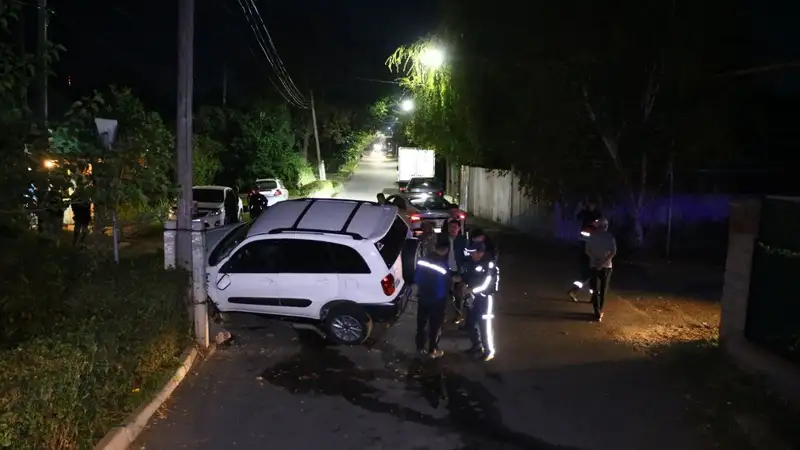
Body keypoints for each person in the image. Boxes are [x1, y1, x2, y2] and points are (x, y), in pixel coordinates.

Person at [413, 236, 452, 359]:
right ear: (447, 249)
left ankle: (420, 348)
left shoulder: (423, 260)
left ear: (435, 247)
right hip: (438, 301)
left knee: (421, 324)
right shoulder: (444, 265)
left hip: (423, 297)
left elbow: (416, 278)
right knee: (435, 326)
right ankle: (432, 350)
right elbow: (447, 284)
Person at [462, 241, 499, 361]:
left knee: (485, 327)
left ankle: (489, 351)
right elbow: (470, 277)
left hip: (485, 299)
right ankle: (477, 345)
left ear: (480, 252)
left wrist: (471, 289)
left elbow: (486, 285)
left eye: (473, 253)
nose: (471, 255)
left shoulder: (489, 266)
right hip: (474, 298)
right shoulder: (474, 263)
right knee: (470, 323)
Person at [568, 200, 603, 302]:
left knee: (591, 275)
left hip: (590, 253)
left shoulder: (596, 217)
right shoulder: (588, 222)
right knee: (589, 275)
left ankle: (593, 296)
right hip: (587, 254)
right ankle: (576, 291)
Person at [585, 217, 616, 322]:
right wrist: (603, 263)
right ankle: (600, 310)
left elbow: (587, 251)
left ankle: (597, 310)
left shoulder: (592, 236)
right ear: (606, 226)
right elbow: (613, 252)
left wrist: (595, 261)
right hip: (607, 266)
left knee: (595, 290)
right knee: (603, 290)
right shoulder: (610, 237)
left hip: (594, 266)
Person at [443, 220, 468, 323]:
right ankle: (443, 316)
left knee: (459, 294)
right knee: (444, 294)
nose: (453, 229)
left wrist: (462, 274)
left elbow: (467, 259)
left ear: (459, 229)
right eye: (451, 227)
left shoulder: (463, 241)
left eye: (455, 227)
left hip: (459, 271)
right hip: (445, 271)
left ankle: (459, 315)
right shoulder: (443, 239)